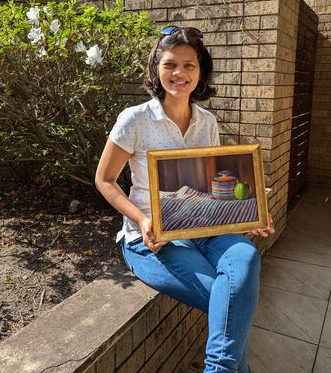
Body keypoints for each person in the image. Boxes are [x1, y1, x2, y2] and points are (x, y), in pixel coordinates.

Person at [95, 26, 274, 373]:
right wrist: (143, 219)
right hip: (153, 239)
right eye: (170, 65)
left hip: (203, 227)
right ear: (156, 69)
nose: (179, 74)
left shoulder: (207, 121)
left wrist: (252, 214)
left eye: (189, 65)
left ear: (201, 72)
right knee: (230, 304)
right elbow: (104, 180)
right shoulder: (135, 119)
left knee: (246, 255)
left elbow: (215, 181)